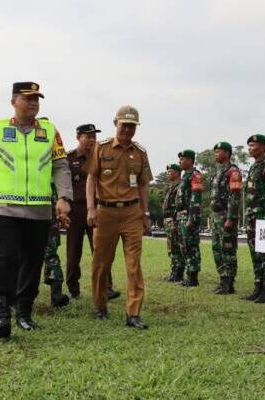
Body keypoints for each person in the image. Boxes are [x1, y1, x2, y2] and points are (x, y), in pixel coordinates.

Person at [0, 82, 72, 339]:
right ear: (13, 102)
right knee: (6, 260)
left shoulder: (50, 131)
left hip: (39, 211)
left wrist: (63, 197)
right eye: (27, 98)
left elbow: (61, 166)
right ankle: (2, 312)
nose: (33, 103)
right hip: (5, 209)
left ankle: (25, 312)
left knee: (32, 263)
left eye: (37, 99)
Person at [87, 105, 152, 329]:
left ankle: (133, 313)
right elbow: (91, 179)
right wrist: (91, 209)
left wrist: (146, 213)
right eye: (124, 125)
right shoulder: (101, 147)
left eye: (132, 126)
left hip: (132, 213)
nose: (128, 130)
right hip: (105, 212)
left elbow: (144, 185)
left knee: (134, 264)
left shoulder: (140, 153)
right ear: (116, 123)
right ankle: (100, 305)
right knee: (101, 263)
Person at [66, 124, 120, 300]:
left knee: (100, 250)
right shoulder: (68, 158)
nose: (92, 139)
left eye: (94, 136)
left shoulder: (102, 156)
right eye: (88, 136)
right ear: (78, 137)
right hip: (74, 210)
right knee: (73, 252)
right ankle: (73, 288)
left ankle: (107, 287)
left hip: (96, 209)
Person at [242, 134, 265, 303]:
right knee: (255, 253)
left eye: (253, 145)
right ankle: (257, 287)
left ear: (262, 147)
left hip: (263, 216)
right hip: (251, 217)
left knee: (264, 255)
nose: (250, 148)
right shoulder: (254, 167)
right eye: (249, 145)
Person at [210, 142, 242, 295]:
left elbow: (235, 196)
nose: (216, 154)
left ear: (228, 153)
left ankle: (229, 282)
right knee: (217, 248)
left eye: (219, 151)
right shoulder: (218, 172)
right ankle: (223, 279)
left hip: (226, 215)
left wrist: (231, 217)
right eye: (215, 151)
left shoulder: (233, 171)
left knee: (228, 248)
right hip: (216, 216)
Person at [175, 149, 204, 287]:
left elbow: (195, 198)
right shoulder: (184, 176)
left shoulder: (195, 175)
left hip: (189, 215)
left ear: (191, 160)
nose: (180, 161)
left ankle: (193, 277)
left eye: (183, 159)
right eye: (180, 159)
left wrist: (191, 218)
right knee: (184, 246)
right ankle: (188, 275)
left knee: (191, 246)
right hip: (182, 215)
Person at [42, 185, 70, 308]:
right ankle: (56, 295)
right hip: (41, 214)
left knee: (51, 255)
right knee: (50, 256)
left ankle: (56, 295)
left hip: (49, 217)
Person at [162, 164, 183, 281]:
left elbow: (178, 206)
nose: (168, 173)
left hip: (173, 220)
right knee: (171, 247)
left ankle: (178, 273)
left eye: (170, 171)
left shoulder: (179, 186)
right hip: (168, 220)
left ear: (177, 173)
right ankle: (174, 271)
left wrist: (175, 222)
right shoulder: (171, 186)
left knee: (176, 246)